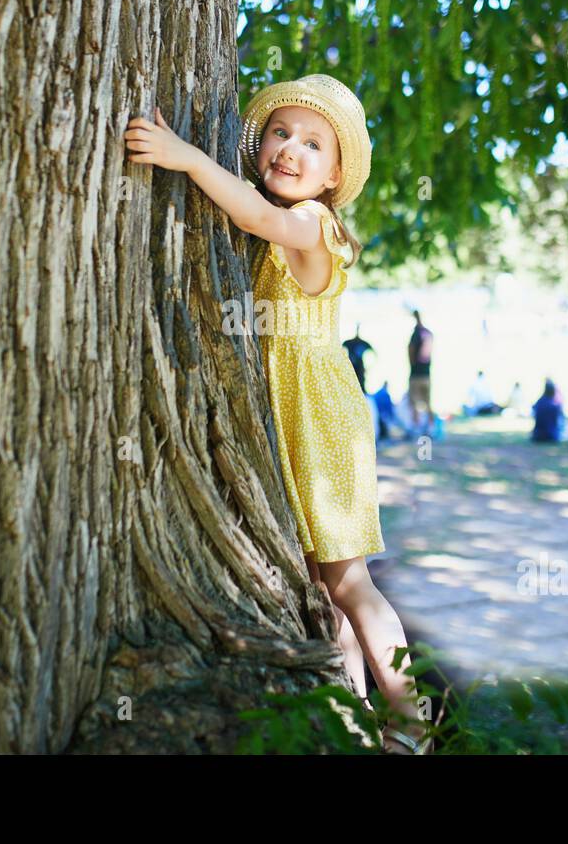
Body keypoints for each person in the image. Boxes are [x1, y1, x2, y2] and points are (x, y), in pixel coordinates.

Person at [124, 73, 429, 753]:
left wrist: (187, 157)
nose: (290, 148)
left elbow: (259, 216)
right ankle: (352, 710)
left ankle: (413, 720)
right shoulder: (291, 220)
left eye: (313, 143)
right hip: (296, 413)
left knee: (350, 581)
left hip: (321, 417)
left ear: (334, 175)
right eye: (280, 133)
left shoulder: (310, 223)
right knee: (323, 588)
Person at [407, 310, 434, 438]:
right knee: (428, 402)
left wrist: (412, 364)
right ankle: (430, 427)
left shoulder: (416, 334)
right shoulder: (428, 333)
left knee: (415, 402)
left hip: (416, 374)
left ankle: (417, 427)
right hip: (426, 373)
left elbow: (411, 352)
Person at [342, 323, 374, 394]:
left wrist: (368, 367)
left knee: (360, 389)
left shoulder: (364, 343)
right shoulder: (348, 343)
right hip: (350, 369)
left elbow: (374, 354)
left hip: (360, 371)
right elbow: (339, 350)